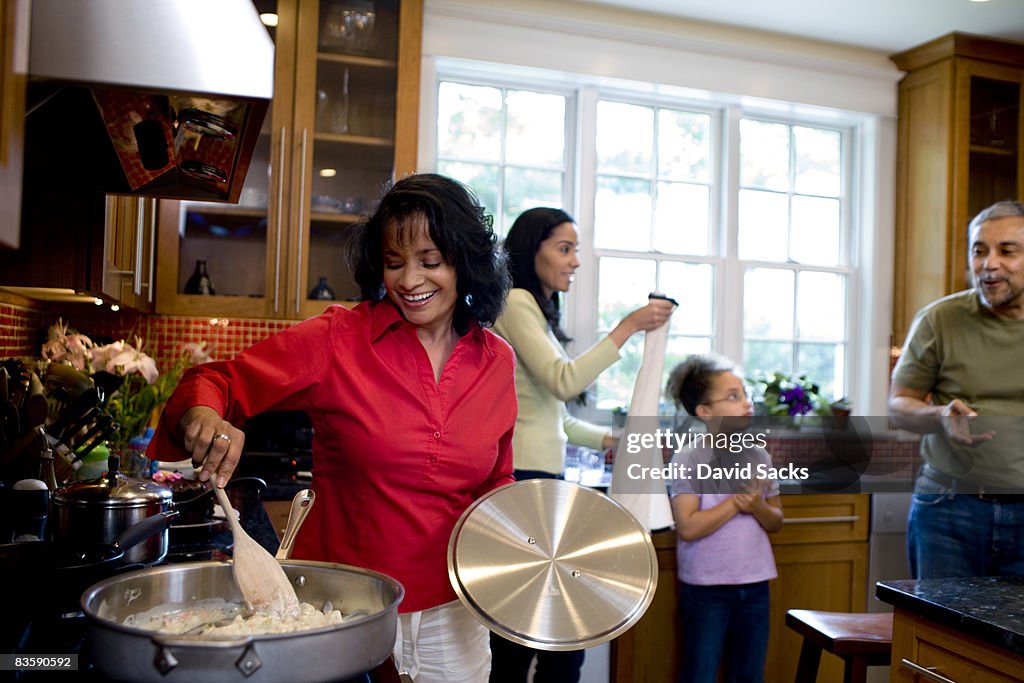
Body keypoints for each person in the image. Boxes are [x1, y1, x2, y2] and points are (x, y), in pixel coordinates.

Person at [151, 173, 517, 683]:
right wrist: (204, 415)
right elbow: (217, 379)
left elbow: (497, 482)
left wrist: (526, 545)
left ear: (467, 262)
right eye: (394, 263)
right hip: (340, 606)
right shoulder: (338, 339)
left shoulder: (496, 360)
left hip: (454, 614)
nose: (410, 281)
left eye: (430, 261)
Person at [488, 207, 676, 683]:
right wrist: (629, 326)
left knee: (540, 630)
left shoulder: (532, 311)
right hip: (525, 481)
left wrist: (618, 439)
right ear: (534, 252)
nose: (574, 261)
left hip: (538, 479)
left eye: (576, 250)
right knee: (545, 631)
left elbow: (557, 419)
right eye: (564, 248)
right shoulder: (515, 302)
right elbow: (564, 381)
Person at [889, 199, 1024, 580]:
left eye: (1007, 251)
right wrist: (938, 416)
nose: (989, 263)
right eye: (979, 250)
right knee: (940, 638)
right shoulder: (940, 319)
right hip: (949, 509)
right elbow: (899, 404)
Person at [666, 353, 783, 683]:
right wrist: (737, 502)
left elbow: (776, 521)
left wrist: (757, 505)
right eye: (733, 396)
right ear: (705, 412)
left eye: (744, 394)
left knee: (748, 675)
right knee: (699, 674)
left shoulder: (760, 456)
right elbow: (688, 527)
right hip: (706, 589)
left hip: (756, 584)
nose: (746, 403)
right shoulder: (689, 457)